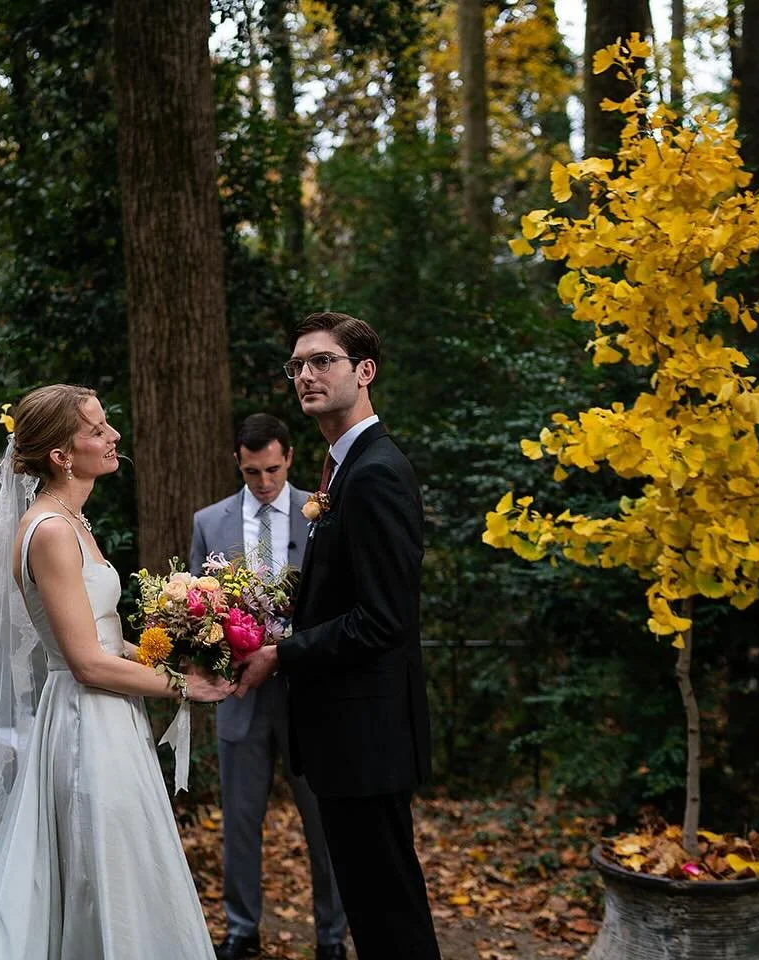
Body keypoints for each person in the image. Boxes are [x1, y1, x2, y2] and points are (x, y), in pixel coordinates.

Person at [0, 384, 235, 960]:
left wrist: (172, 652)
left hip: (109, 715)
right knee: (99, 870)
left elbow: (103, 640)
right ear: (61, 455)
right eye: (97, 430)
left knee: (120, 863)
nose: (114, 436)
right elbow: (84, 661)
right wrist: (185, 687)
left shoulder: (72, 520)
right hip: (86, 722)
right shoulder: (50, 531)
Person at [236, 313, 441, 960]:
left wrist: (282, 653)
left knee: (390, 918)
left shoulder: (374, 472)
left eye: (323, 361)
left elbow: (383, 619)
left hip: (366, 736)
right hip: (347, 737)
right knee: (377, 912)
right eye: (298, 365)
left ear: (365, 371)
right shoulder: (342, 468)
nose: (306, 375)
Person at [188, 414, 348, 960]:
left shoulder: (321, 511)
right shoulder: (208, 522)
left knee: (323, 821)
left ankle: (331, 936)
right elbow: (200, 607)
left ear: (289, 459)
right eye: (252, 471)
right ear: (238, 462)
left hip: (310, 692)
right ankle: (241, 929)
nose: (264, 481)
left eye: (273, 470)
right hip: (241, 695)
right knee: (239, 819)